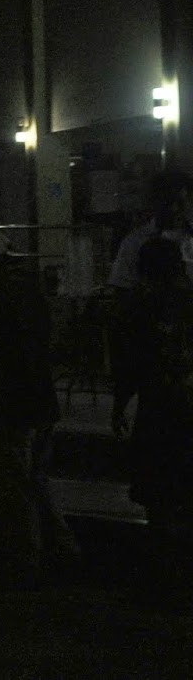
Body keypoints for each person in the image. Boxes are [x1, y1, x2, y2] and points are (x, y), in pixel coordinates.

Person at [0, 247, 81, 585]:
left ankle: (25, 559)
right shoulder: (32, 294)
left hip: (7, 402)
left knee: (10, 481)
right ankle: (63, 551)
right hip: (40, 398)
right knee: (36, 480)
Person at [112, 236, 193, 602]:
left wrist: (119, 404)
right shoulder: (186, 301)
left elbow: (129, 363)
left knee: (159, 496)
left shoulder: (141, 306)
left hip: (159, 410)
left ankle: (165, 577)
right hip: (182, 405)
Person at [107, 170, 193, 291]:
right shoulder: (135, 242)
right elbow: (121, 287)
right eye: (169, 202)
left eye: (182, 202)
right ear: (155, 203)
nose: (175, 209)